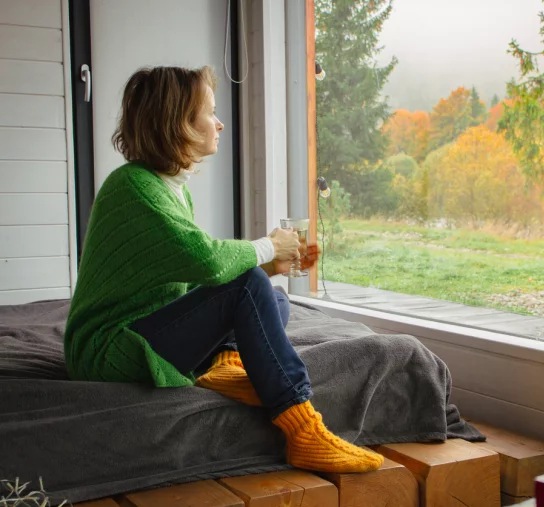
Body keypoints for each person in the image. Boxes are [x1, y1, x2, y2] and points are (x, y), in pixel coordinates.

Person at [64, 65, 383, 474]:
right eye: (209, 112)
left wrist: (268, 265)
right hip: (108, 351)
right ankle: (303, 430)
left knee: (273, 298)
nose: (219, 124)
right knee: (250, 284)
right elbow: (210, 262)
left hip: (143, 330)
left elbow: (200, 280)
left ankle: (223, 367)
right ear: (178, 122)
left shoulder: (168, 187)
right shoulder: (132, 187)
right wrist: (267, 248)